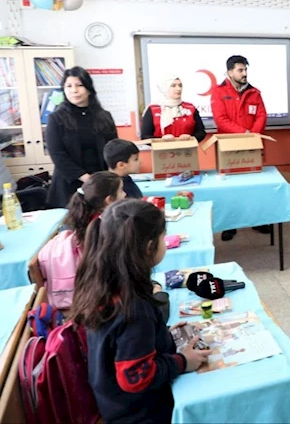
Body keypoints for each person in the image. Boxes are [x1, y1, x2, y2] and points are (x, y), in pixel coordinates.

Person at [72, 199, 211, 424]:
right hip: (139, 413)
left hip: (114, 402)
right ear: (149, 247)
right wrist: (183, 361)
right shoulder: (134, 309)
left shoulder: (105, 282)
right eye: (163, 238)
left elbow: (120, 341)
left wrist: (161, 334)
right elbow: (136, 377)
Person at [38, 171, 125, 309]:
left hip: (92, 289)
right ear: (109, 200)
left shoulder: (87, 220)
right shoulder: (104, 227)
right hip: (102, 295)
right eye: (121, 191)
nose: (124, 194)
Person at [210, 55, 269, 241]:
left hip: (252, 143)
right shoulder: (218, 92)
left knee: (254, 185)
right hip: (229, 146)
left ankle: (257, 220)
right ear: (230, 72)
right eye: (240, 70)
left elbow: (262, 115)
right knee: (229, 187)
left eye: (245, 70)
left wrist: (253, 134)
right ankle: (230, 224)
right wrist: (244, 133)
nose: (244, 73)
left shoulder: (254, 92)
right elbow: (221, 120)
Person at [46, 67, 118, 209]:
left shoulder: (104, 116)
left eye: (79, 85)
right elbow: (57, 154)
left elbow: (113, 148)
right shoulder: (56, 118)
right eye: (69, 86)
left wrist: (110, 175)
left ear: (89, 88)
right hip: (69, 184)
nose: (74, 90)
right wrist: (86, 178)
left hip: (100, 183)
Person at [140, 75, 206, 142]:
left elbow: (201, 132)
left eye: (180, 85)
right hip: (162, 148)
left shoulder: (190, 108)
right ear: (165, 88)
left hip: (188, 147)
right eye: (173, 86)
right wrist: (161, 140)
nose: (178, 89)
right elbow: (145, 136)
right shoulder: (153, 109)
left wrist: (191, 138)